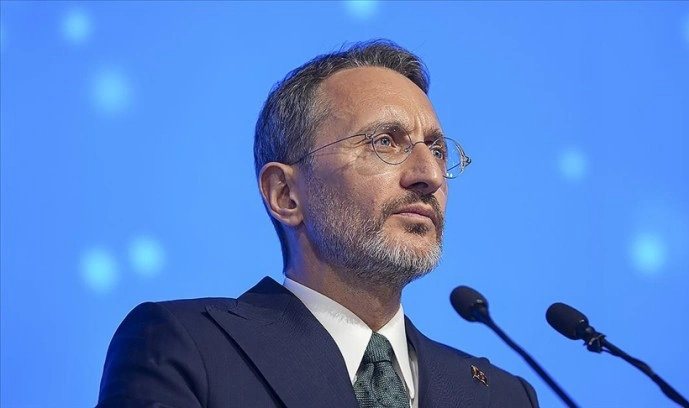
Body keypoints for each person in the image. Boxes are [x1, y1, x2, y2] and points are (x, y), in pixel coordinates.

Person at [97, 39, 539, 408]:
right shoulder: (188, 348)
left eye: (437, 151)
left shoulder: (502, 397)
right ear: (286, 195)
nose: (430, 175)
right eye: (385, 141)